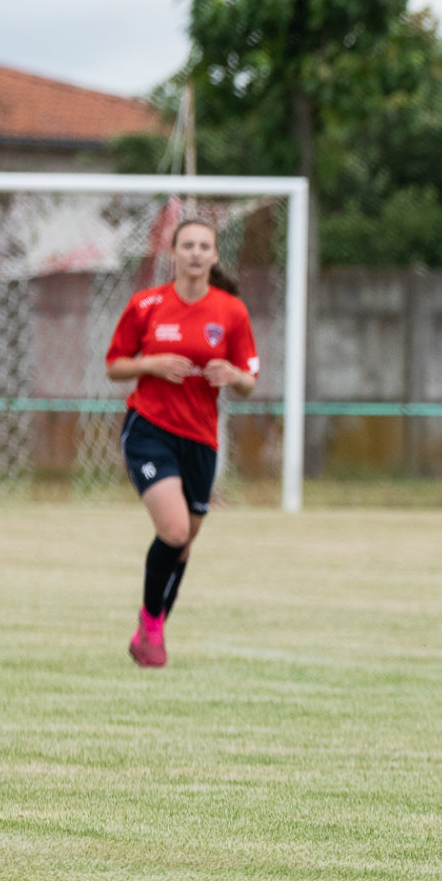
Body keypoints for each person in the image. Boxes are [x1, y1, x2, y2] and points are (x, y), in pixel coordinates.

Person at [106, 221, 258, 669]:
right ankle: (152, 626)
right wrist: (151, 363)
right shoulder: (146, 305)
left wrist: (232, 376)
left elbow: (249, 380)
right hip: (150, 430)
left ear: (214, 256)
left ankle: (149, 631)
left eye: (203, 246)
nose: (195, 253)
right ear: (173, 253)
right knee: (173, 532)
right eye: (187, 245)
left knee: (184, 543)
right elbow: (115, 365)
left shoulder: (231, 312)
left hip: (200, 439)